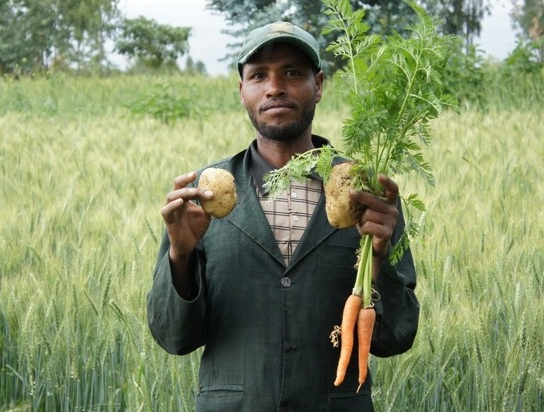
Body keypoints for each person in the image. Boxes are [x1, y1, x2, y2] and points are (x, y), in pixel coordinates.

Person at [147, 21, 419, 412]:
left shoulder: (367, 193)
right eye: (259, 75)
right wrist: (181, 257)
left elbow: (396, 336)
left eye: (292, 72)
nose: (275, 87)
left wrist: (379, 258)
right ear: (242, 91)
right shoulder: (199, 198)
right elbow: (173, 338)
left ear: (319, 84)